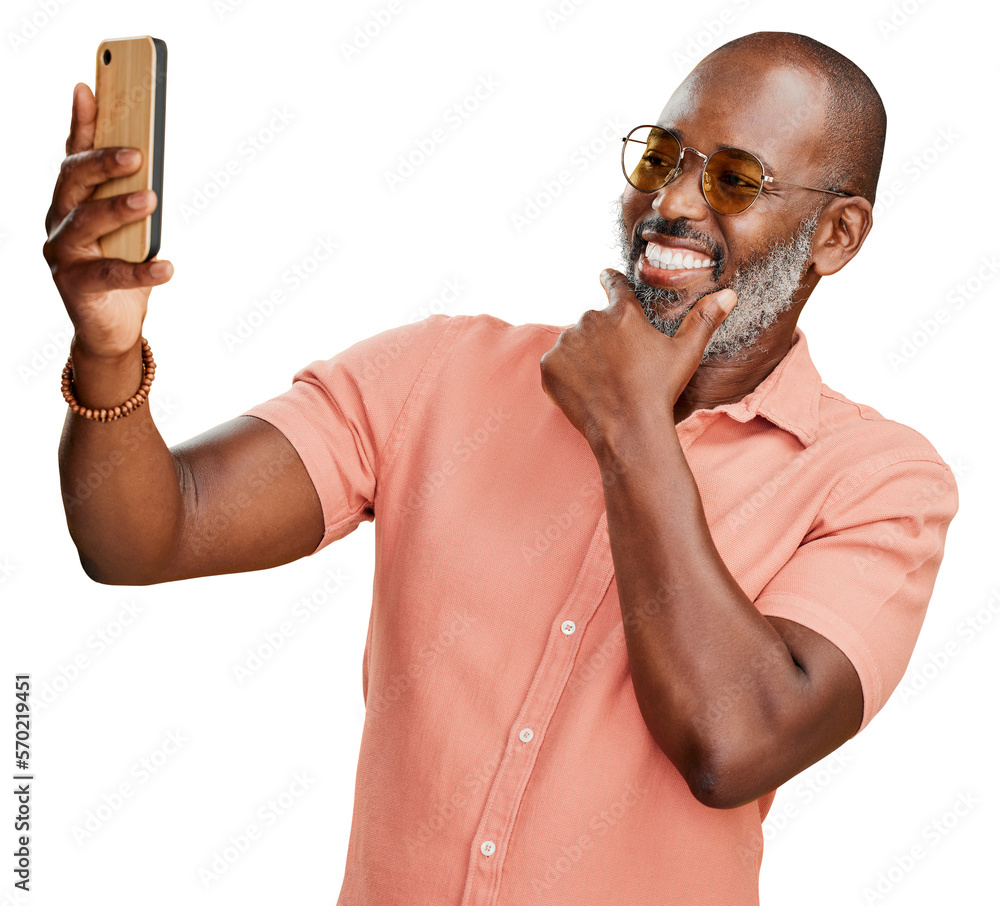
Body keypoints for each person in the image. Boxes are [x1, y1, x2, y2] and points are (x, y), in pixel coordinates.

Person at [44, 30, 959, 906]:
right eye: (662, 160)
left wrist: (629, 423)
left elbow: (734, 742)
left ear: (836, 235)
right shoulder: (437, 373)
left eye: (732, 178)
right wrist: (108, 347)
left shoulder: (880, 483)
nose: (674, 204)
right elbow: (143, 533)